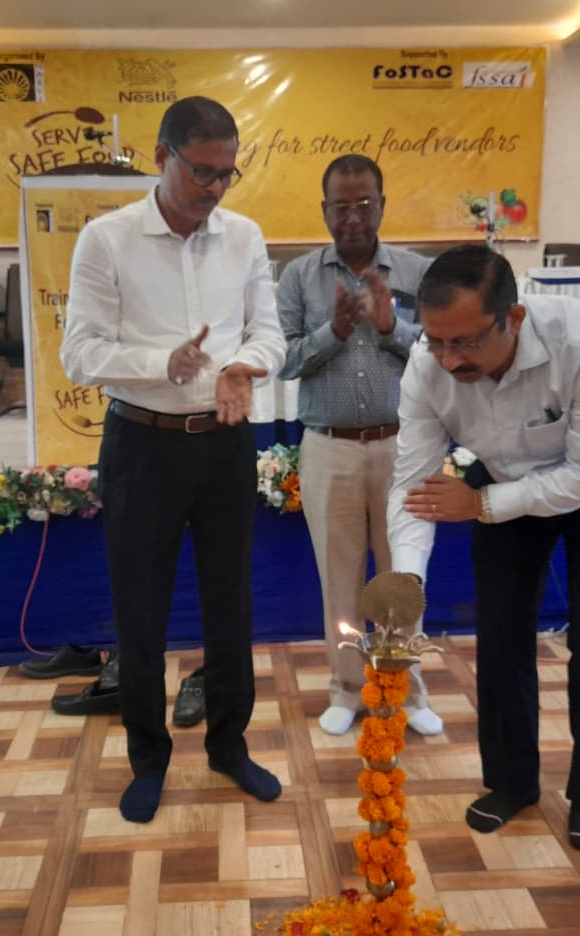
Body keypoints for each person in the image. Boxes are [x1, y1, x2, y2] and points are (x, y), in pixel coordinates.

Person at [387, 246, 580, 852]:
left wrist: (481, 504)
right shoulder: (427, 366)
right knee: (501, 632)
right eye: (436, 341)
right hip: (505, 478)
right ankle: (512, 783)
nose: (449, 360)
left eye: (465, 343)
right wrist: (406, 583)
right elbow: (412, 484)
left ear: (513, 318)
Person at [61, 96, 286, 823]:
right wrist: (165, 362)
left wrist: (242, 366)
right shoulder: (107, 239)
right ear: (162, 156)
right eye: (201, 171)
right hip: (142, 443)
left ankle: (229, 747)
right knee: (140, 612)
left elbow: (270, 334)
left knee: (231, 605)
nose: (214, 188)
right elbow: (80, 354)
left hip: (224, 441)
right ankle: (148, 760)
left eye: (226, 174)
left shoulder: (244, 236)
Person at [276, 154, 441, 738]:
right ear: (324, 210)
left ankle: (407, 691)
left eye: (364, 205)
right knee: (339, 577)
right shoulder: (298, 277)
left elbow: (444, 351)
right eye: (340, 207)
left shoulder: (418, 273)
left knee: (402, 577)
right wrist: (335, 331)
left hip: (403, 447)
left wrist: (392, 326)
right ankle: (348, 688)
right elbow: (283, 359)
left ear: (382, 206)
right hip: (330, 447)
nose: (352, 218)